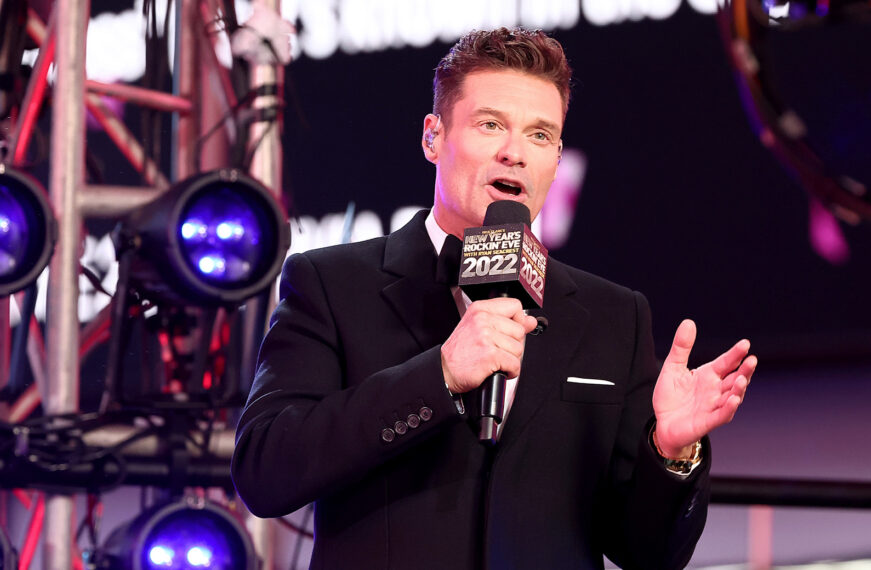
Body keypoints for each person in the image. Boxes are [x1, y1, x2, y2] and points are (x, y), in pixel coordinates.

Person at [232, 27, 756, 569]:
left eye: (539, 135)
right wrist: (438, 376)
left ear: (556, 156)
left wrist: (669, 453)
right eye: (490, 125)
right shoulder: (332, 283)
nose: (515, 154)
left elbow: (648, 553)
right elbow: (265, 473)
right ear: (433, 137)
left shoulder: (613, 316)